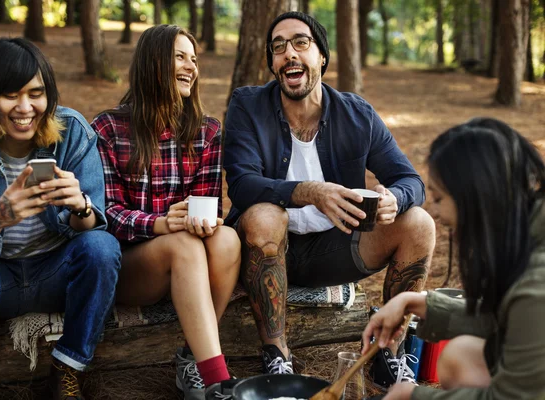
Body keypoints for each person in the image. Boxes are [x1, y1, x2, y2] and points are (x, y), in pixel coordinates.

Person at [223, 11, 436, 388]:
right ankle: (277, 354)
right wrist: (308, 192)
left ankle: (386, 353)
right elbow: (241, 185)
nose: (288, 53)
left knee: (419, 223)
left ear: (321, 56)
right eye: (278, 47)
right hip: (267, 251)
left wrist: (395, 199)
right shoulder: (248, 105)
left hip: (338, 252)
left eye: (300, 43)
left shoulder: (357, 114)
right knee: (263, 216)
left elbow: (410, 180)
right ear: (273, 64)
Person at [0, 38, 121, 400]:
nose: (25, 108)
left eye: (35, 94)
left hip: (56, 271)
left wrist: (81, 207)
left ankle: (67, 368)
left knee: (102, 247)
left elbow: (93, 230)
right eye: (10, 95)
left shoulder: (72, 132)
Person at [92, 25, 241, 400]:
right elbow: (103, 214)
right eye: (179, 56)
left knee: (226, 239)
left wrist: (203, 222)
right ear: (151, 62)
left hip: (191, 263)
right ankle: (218, 382)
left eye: (194, 59)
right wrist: (159, 224)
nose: (190, 66)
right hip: (132, 267)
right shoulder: (108, 128)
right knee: (182, 246)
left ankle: (193, 359)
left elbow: (210, 205)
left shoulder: (206, 131)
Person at [362, 118, 545, 399]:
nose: (434, 212)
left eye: (437, 198)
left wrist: (411, 396)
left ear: (475, 197)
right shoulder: (526, 230)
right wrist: (414, 302)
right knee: (461, 355)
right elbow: (506, 319)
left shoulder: (536, 284)